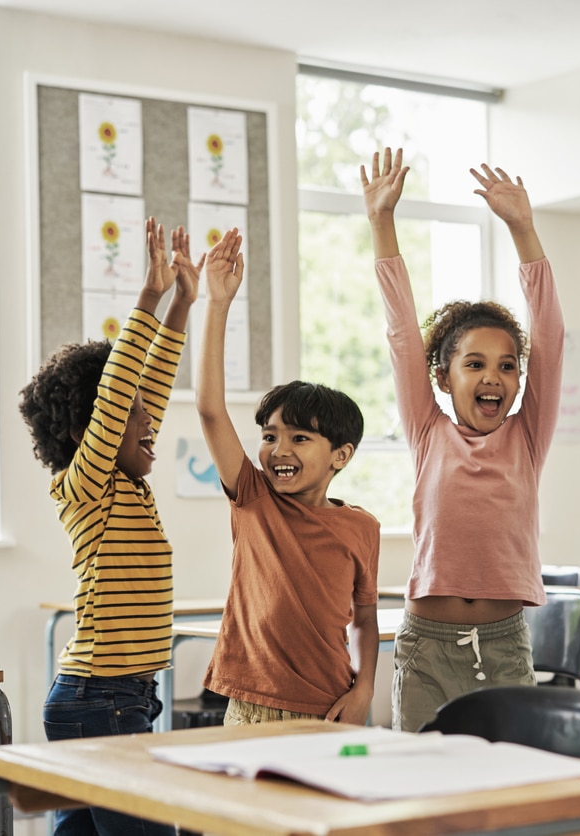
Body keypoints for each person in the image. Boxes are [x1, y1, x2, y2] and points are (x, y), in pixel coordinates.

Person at [362, 148, 564, 732]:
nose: (493, 377)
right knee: (430, 809)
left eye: (506, 366)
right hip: (426, 649)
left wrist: (523, 229)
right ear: (442, 378)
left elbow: (548, 335)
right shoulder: (429, 433)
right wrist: (382, 223)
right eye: (474, 364)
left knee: (505, 808)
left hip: (505, 648)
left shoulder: (527, 438)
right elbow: (403, 333)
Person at [18, 218, 196, 836]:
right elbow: (122, 385)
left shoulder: (130, 487)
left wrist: (183, 303)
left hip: (116, 697)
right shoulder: (87, 486)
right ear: (83, 432)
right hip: (101, 700)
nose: (150, 424)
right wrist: (148, 296)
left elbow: (148, 380)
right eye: (132, 418)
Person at [196, 227, 381, 726]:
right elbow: (211, 410)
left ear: (340, 455)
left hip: (329, 708)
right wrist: (217, 305)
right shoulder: (253, 498)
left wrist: (364, 691)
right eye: (271, 435)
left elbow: (365, 617)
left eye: (300, 438)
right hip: (251, 706)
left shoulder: (363, 528)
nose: (279, 450)